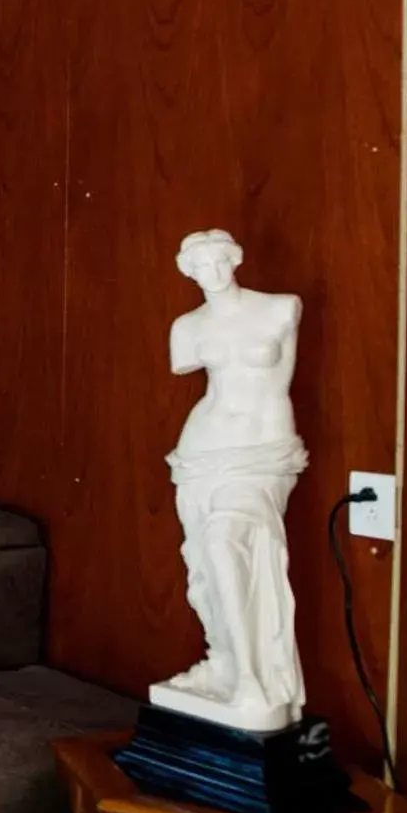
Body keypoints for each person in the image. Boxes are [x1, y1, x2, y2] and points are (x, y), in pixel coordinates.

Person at [155, 229, 306, 732]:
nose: (211, 271)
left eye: (218, 260)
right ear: (187, 272)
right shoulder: (187, 328)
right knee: (204, 564)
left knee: (227, 544)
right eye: (199, 265)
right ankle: (226, 662)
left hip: (264, 453)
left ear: (235, 258)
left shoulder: (281, 308)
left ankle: (252, 678)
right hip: (203, 452)